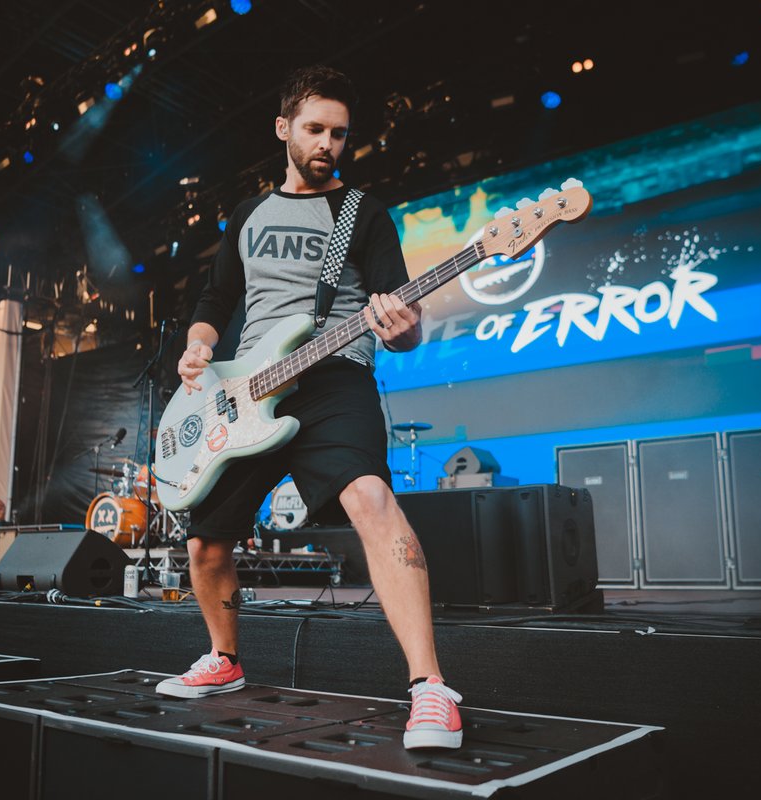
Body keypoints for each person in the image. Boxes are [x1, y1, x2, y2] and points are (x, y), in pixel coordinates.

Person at [156, 65, 462, 750]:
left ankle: (431, 689)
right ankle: (224, 661)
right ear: (284, 128)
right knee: (205, 541)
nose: (329, 143)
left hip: (334, 380)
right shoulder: (250, 214)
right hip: (246, 396)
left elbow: (402, 319)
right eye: (316, 129)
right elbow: (215, 299)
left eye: (340, 134)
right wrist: (198, 347)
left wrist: (400, 325)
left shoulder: (363, 211)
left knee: (372, 502)